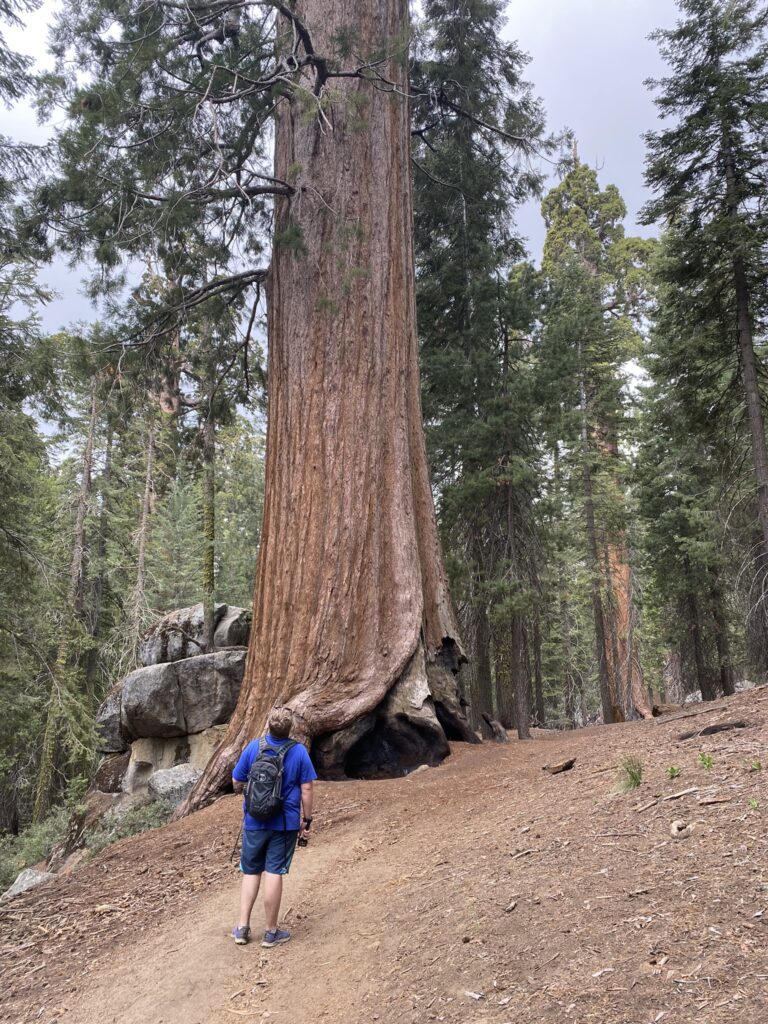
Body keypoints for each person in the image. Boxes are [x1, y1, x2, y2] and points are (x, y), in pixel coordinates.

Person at [230, 706, 317, 948]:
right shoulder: (299, 752)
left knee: (251, 871)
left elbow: (237, 780)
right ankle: (270, 932)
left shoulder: (253, 748)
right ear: (290, 729)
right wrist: (306, 819)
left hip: (254, 821)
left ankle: (242, 928)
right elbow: (307, 788)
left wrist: (253, 792)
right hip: (285, 822)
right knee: (274, 872)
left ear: (268, 726)